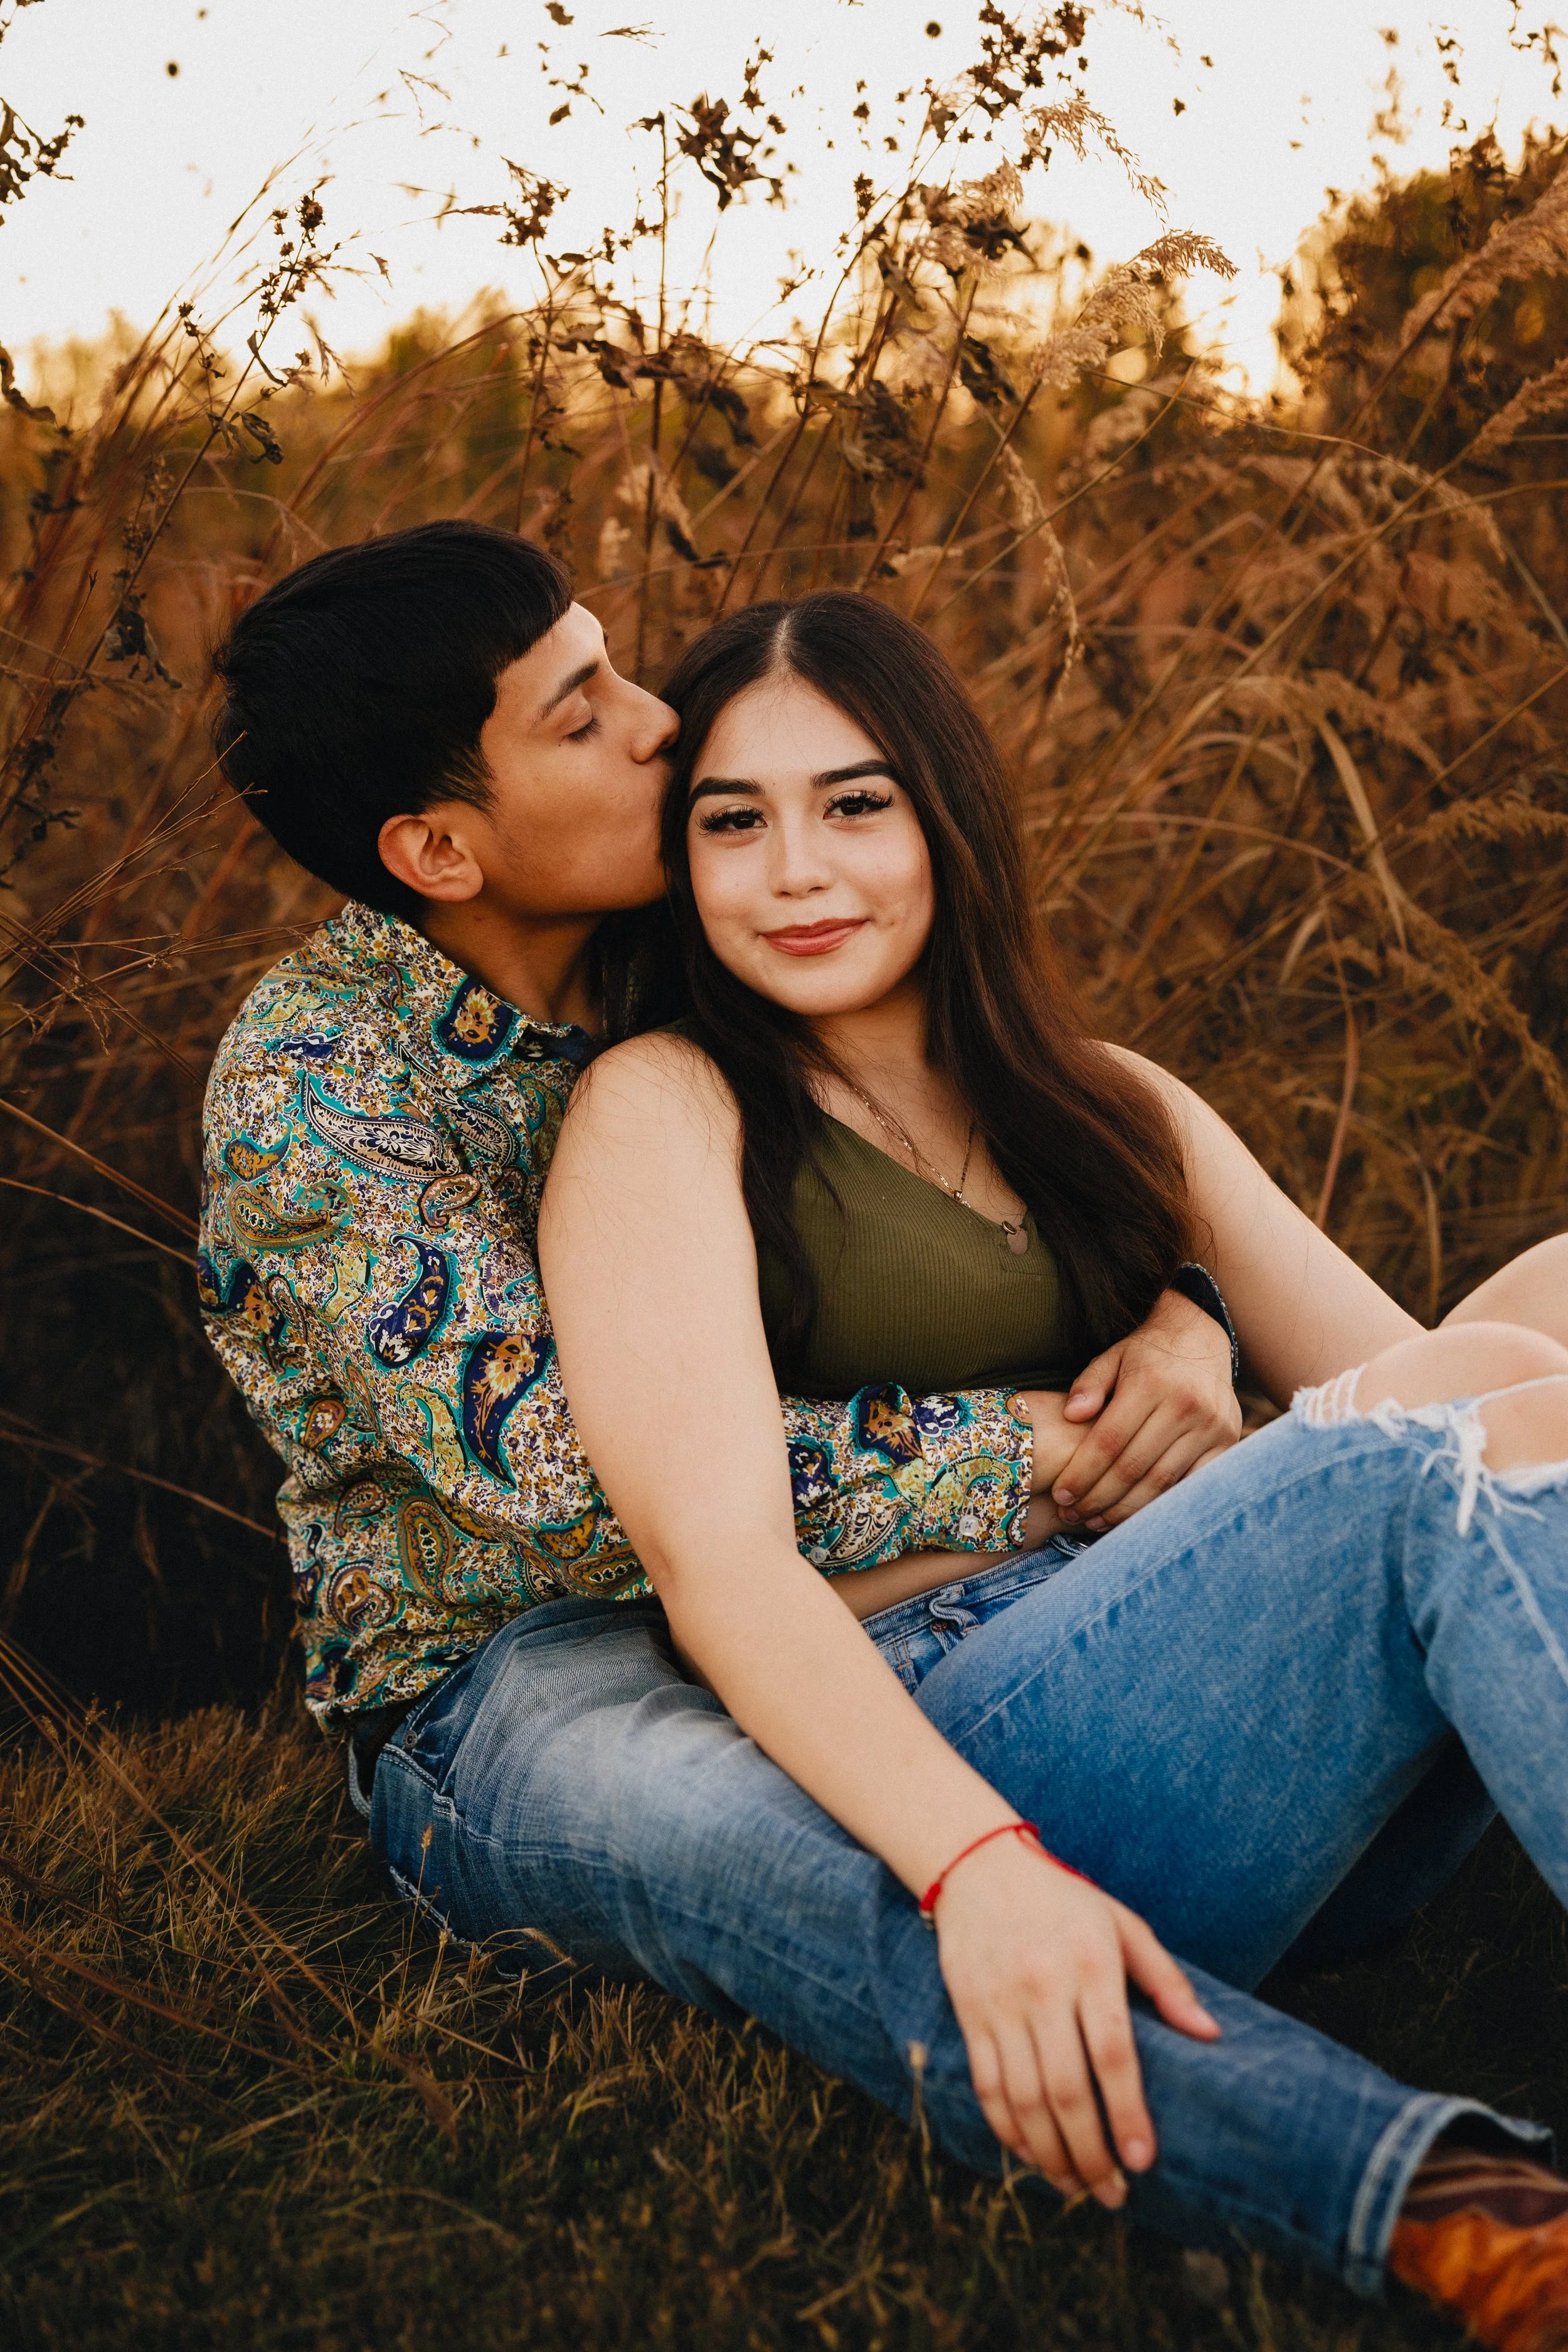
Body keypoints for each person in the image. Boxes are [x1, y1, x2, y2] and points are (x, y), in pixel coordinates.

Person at [199, 525, 1568, 2348]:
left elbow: (997, 1202)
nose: (659, 724)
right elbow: (580, 1495)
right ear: (441, 846)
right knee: (784, 1858)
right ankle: (1448, 2202)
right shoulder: (330, 1085)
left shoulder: (668, 965)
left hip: (875, 1596)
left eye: (624, 671)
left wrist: (1192, 1318)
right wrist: (1064, 1454)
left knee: (1511, 1356)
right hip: (513, 1666)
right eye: (585, 711)